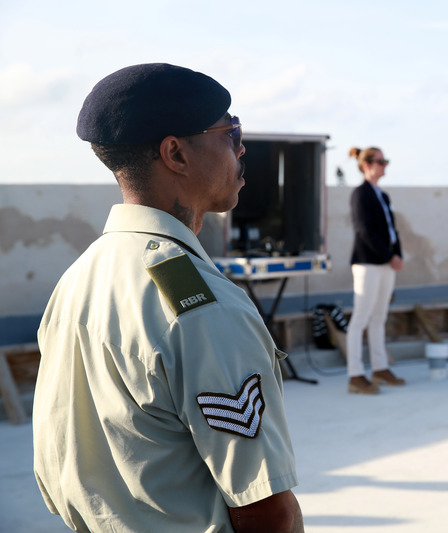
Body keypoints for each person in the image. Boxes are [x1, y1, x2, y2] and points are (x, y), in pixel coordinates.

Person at [32, 63, 304, 532]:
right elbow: (263, 508)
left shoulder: (77, 279)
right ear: (175, 153)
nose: (241, 149)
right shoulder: (203, 308)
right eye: (230, 132)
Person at [345, 146, 406, 394]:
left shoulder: (383, 195)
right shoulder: (360, 194)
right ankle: (355, 374)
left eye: (385, 161)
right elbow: (364, 231)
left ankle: (380, 368)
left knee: (379, 317)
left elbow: (392, 230)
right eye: (381, 161)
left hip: (385, 263)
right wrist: (388, 255)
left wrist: (398, 254)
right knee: (361, 318)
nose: (384, 166)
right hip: (368, 263)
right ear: (367, 164)